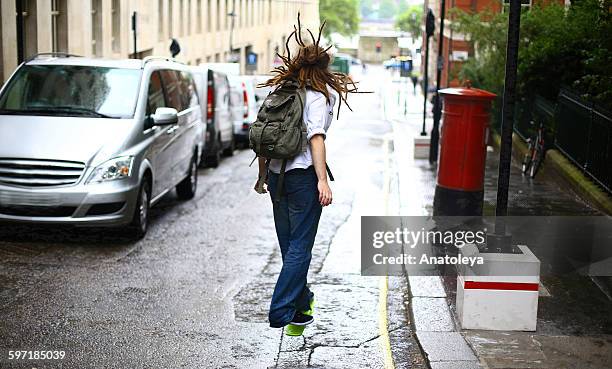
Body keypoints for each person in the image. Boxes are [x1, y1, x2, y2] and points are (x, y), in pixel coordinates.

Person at [253, 16, 358, 334]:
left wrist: (262, 176)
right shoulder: (320, 95)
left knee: (289, 245)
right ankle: (281, 310)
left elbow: (265, 136)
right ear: (326, 67)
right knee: (300, 246)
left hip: (274, 176)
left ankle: (300, 303)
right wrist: (322, 180)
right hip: (301, 178)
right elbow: (317, 137)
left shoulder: (284, 89)